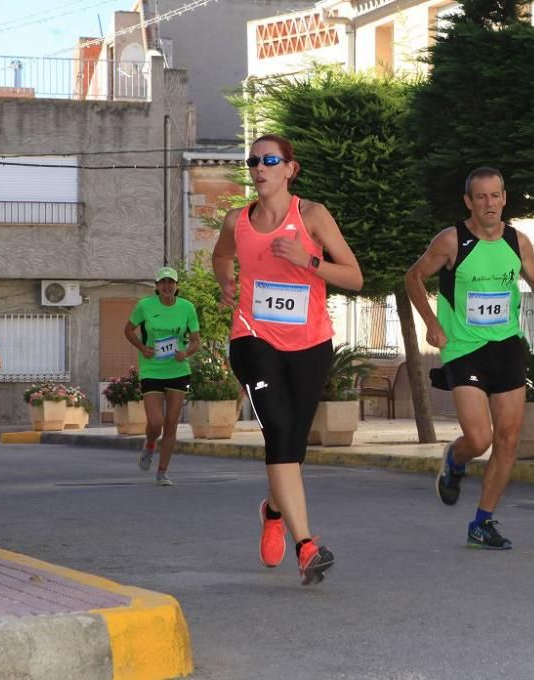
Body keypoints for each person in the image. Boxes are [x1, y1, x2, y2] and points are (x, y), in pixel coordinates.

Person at [212, 133, 363, 586]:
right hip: (254, 339)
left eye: (270, 159)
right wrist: (226, 285)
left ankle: (273, 511)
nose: (259, 167)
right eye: (253, 160)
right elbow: (221, 257)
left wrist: (308, 261)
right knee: (277, 429)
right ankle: (306, 546)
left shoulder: (312, 216)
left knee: (293, 446)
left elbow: (354, 277)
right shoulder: (236, 220)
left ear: (289, 169)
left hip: (311, 344)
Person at [405, 167, 534, 550]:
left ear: (504, 198)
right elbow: (413, 277)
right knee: (479, 439)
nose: (489, 204)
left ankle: (482, 523)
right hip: (463, 348)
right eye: (481, 197)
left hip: (505, 345)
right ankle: (456, 460)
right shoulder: (451, 241)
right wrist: (431, 323)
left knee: (508, 439)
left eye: (495, 196)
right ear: (468, 202)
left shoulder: (517, 241)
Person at [124, 266, 201, 486]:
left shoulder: (187, 308)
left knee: (171, 423)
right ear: (157, 286)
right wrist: (142, 348)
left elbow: (196, 340)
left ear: (176, 286)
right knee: (156, 422)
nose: (167, 286)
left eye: (171, 282)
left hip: (178, 369)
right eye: (163, 282)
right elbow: (128, 330)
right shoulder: (145, 306)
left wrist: (185, 353)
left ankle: (162, 471)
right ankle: (149, 444)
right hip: (152, 370)